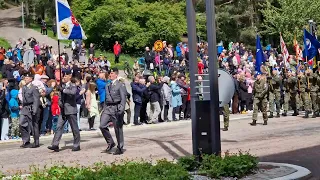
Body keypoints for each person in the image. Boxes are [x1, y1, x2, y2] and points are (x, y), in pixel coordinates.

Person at [47, 71, 81, 152]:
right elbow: (59, 96)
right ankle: (55, 144)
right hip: (63, 110)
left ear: (69, 76)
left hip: (71, 109)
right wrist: (59, 102)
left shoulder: (72, 85)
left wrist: (64, 90)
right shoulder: (62, 85)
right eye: (63, 76)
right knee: (59, 127)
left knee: (74, 128)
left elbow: (73, 93)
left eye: (65, 76)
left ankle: (76, 144)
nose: (64, 78)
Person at [99, 68, 127, 155]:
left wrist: (121, 109)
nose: (110, 75)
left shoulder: (120, 85)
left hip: (116, 107)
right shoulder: (107, 85)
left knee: (118, 128)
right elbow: (106, 99)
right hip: (108, 107)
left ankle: (120, 147)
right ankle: (111, 142)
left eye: (111, 73)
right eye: (109, 73)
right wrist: (104, 109)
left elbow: (123, 98)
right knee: (102, 125)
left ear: (116, 75)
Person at [19, 73, 41, 148]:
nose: (25, 79)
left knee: (33, 125)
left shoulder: (34, 88)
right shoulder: (24, 87)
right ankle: (26, 141)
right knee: (21, 123)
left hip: (32, 107)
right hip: (25, 107)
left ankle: (36, 142)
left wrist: (34, 110)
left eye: (27, 78)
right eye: (25, 78)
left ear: (31, 79)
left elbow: (36, 99)